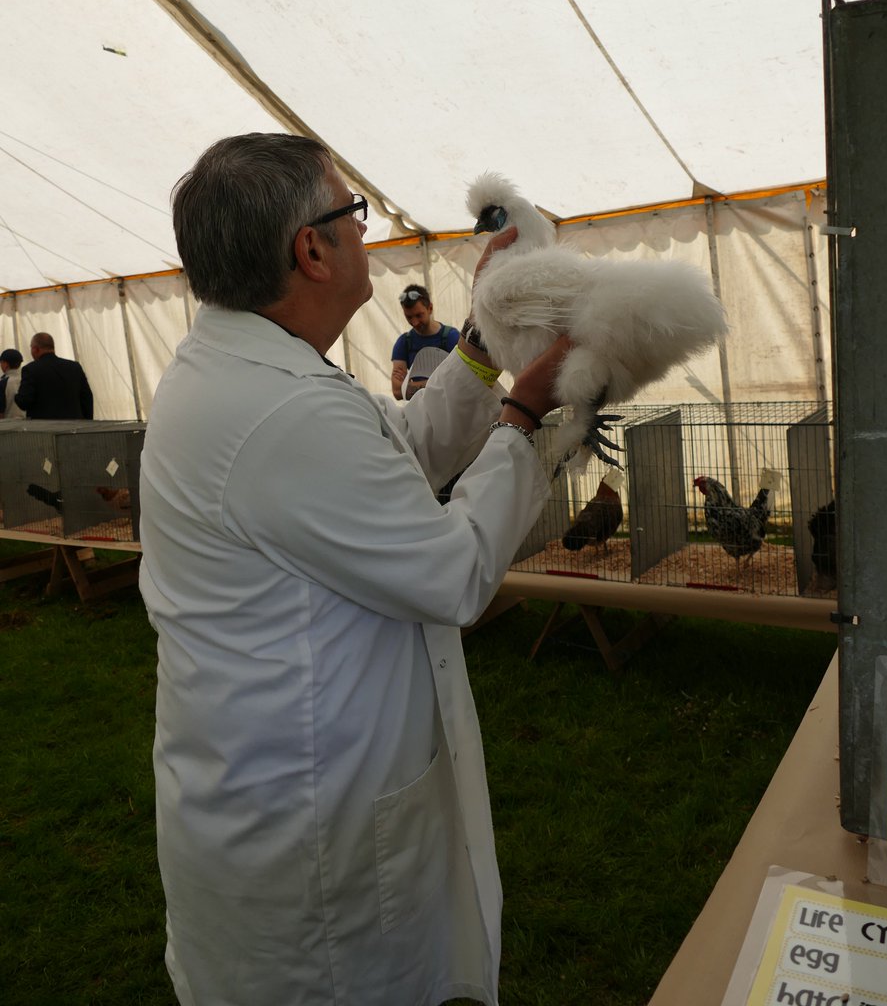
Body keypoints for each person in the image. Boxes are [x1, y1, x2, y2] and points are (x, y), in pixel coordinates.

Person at [138, 132, 570, 1006]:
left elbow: (400, 448)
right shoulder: (280, 407)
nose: (366, 233)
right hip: (308, 829)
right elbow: (454, 570)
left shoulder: (253, 370)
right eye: (354, 213)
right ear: (311, 248)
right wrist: (527, 407)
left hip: (274, 790)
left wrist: (483, 336)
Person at [391, 284, 460, 399]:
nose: (415, 322)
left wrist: (411, 386)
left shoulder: (451, 337)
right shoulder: (404, 342)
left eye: (419, 315)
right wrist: (439, 383)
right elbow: (398, 391)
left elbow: (459, 382)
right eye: (409, 317)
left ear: (430, 308)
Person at [15, 333, 93, 420]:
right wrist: (87, 422)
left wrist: (16, 396)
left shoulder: (30, 369)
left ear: (35, 349)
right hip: (74, 427)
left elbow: (24, 402)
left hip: (45, 428)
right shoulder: (75, 367)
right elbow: (87, 398)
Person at [0, 348, 25, 419]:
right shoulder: (26, 379)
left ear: (5, 364)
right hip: (28, 424)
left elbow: (1, 411)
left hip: (8, 425)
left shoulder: (3, 383)